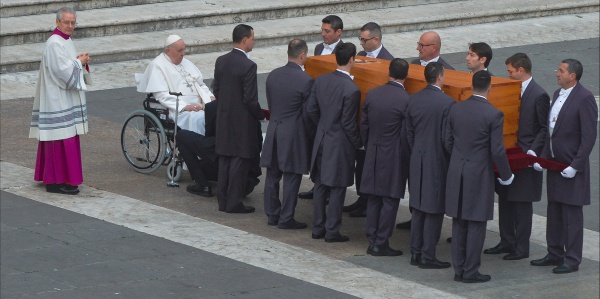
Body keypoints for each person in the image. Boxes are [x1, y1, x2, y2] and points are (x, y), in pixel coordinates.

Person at [445, 70, 514, 283]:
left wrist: (458, 159)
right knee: (476, 223)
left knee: (459, 222)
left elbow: (447, 141)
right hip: (479, 174)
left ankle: (459, 269)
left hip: (457, 171)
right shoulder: (494, 114)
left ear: (472, 85)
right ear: (489, 88)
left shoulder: (455, 108)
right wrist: (506, 175)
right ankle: (471, 271)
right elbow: (497, 151)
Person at [530, 59, 598, 274]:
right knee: (555, 211)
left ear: (573, 75)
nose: (557, 73)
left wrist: (576, 165)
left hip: (571, 167)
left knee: (572, 215)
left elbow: (588, 137)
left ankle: (572, 258)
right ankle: (555, 252)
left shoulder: (585, 98)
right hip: (554, 164)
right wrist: (542, 157)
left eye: (561, 71)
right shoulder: (558, 94)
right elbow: (551, 131)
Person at [484, 53, 550, 260]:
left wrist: (533, 150)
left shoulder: (539, 94)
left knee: (521, 203)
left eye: (511, 71)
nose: (508, 74)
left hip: (525, 157)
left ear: (521, 71)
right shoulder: (509, 89)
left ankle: (521, 247)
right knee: (505, 199)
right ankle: (506, 241)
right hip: (508, 154)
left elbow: (543, 128)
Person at [30, 7, 90, 195]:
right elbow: (62, 72)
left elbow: (67, 66)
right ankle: (55, 182)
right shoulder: (54, 43)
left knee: (65, 138)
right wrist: (79, 63)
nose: (70, 26)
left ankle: (62, 178)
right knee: (59, 139)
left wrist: (80, 61)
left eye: (73, 23)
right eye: (66, 22)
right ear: (57, 22)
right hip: (56, 98)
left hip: (64, 98)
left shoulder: (66, 40)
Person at [306, 43, 362, 243]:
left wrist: (322, 127)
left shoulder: (321, 80)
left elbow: (311, 109)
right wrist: (358, 143)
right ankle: (332, 231)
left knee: (320, 185)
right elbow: (348, 124)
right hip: (339, 145)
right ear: (352, 59)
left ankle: (318, 227)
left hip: (321, 139)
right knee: (337, 188)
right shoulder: (352, 89)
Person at [399, 30, 453, 230]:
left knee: (431, 193)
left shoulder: (449, 71)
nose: (418, 49)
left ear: (434, 48)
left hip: (432, 145)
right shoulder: (413, 64)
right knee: (416, 186)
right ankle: (416, 218)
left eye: (422, 45)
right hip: (419, 142)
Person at [261, 39, 314, 229]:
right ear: (303, 55)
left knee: (272, 175)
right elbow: (308, 113)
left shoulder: (273, 75)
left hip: (274, 129)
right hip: (293, 133)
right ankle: (286, 217)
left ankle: (272, 214)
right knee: (292, 176)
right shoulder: (306, 81)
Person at [343, 21, 395, 218]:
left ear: (376, 39)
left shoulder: (389, 61)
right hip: (359, 118)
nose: (361, 43)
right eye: (360, 39)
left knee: (370, 165)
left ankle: (369, 201)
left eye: (364, 40)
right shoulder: (359, 57)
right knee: (360, 162)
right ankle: (361, 198)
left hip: (376, 121)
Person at [213, 24, 265, 214]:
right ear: (245, 40)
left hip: (224, 118)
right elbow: (250, 99)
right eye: (252, 37)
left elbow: (216, 89)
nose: (253, 41)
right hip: (242, 122)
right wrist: (260, 115)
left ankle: (223, 199)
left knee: (225, 159)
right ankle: (233, 202)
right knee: (239, 161)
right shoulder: (248, 65)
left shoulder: (221, 60)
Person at [407, 62, 455, 268]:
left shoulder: (413, 99)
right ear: (440, 77)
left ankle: (416, 252)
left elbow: (408, 133)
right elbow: (447, 139)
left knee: (417, 208)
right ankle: (428, 255)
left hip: (417, 158)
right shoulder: (448, 103)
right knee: (434, 209)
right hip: (437, 162)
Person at [361, 58, 410, 256]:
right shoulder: (406, 99)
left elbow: (364, 125)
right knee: (389, 200)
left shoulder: (373, 94)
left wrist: (369, 143)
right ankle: (381, 242)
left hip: (373, 151)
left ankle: (372, 237)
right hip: (394, 155)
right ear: (406, 76)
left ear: (389, 72)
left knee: (373, 197)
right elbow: (406, 133)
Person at [299, 14, 345, 200]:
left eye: (327, 31)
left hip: (332, 106)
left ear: (338, 32)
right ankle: (317, 185)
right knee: (315, 148)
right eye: (322, 30)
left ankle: (327, 188)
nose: (323, 34)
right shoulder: (318, 48)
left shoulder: (345, 51)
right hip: (316, 104)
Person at [176, 101, 261, 198]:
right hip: (249, 177)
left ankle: (202, 185)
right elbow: (259, 141)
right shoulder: (250, 106)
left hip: (228, 170)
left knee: (182, 136)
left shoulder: (214, 107)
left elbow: (210, 139)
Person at [137, 35, 215, 136]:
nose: (183, 54)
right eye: (179, 50)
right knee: (201, 119)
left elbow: (200, 84)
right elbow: (162, 95)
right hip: (177, 109)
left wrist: (210, 96)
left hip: (200, 105)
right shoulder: (157, 65)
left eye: (184, 49)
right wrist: (185, 107)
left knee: (217, 114)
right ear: (168, 51)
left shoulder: (186, 63)